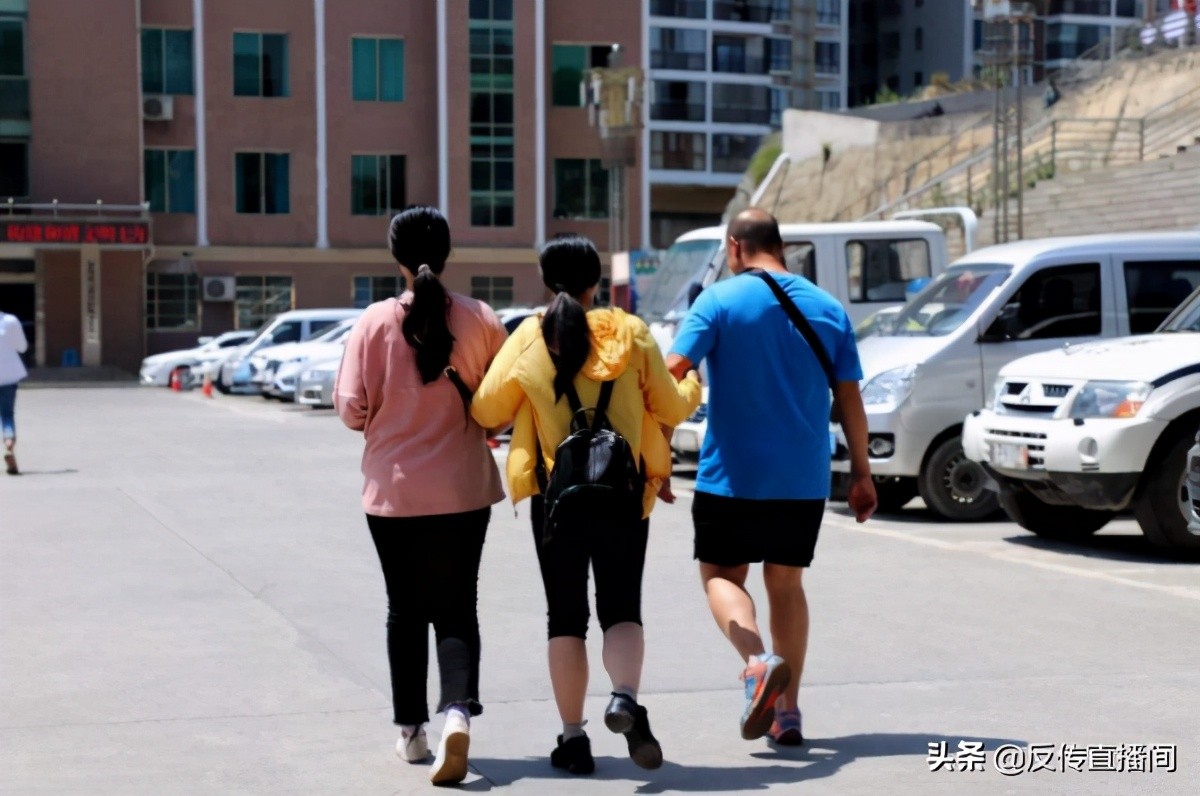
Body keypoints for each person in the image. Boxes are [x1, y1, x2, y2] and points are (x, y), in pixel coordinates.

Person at [471, 234, 701, 775]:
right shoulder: (631, 332)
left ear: (546, 281)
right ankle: (624, 698)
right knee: (622, 608)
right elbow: (671, 406)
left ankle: (573, 739)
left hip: (557, 502)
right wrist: (691, 383)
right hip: (624, 496)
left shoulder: (530, 335)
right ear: (597, 282)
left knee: (565, 617)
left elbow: (485, 411)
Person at [665, 208, 877, 747]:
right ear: (779, 246)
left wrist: (655, 451)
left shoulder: (717, 301)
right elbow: (850, 399)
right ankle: (788, 713)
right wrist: (862, 473)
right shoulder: (828, 308)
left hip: (730, 477)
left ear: (735, 247)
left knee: (720, 576)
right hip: (802, 478)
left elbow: (672, 372)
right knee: (786, 585)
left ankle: (757, 662)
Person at [335, 206, 507, 787]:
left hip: (393, 492)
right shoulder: (482, 319)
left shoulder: (373, 322)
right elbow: (500, 406)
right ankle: (458, 713)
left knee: (404, 609)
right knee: (458, 606)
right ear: (449, 252)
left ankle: (411, 732)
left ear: (396, 258)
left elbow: (351, 409)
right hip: (464, 488)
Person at [0, 309, 29, 475]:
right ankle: (9, 444)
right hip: (8, 376)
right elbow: (22, 347)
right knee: (7, 415)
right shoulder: (10, 321)